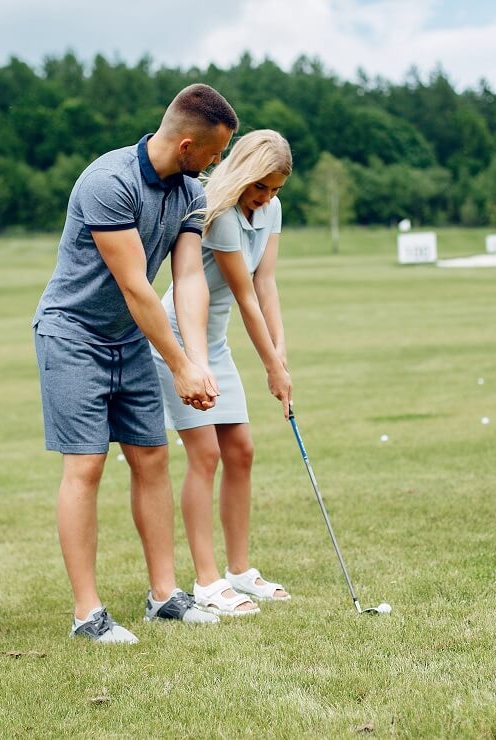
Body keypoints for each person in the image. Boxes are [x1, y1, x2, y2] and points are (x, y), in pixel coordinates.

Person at [32, 84, 239, 644]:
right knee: (87, 466)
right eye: (216, 153)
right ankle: (87, 615)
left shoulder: (190, 192)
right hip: (72, 334)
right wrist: (178, 365)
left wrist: (197, 359)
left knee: (151, 458)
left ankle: (165, 596)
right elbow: (133, 285)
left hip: (129, 338)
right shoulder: (108, 181)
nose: (217, 163)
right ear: (189, 143)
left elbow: (189, 277)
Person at [151, 130, 293, 617]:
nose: (267, 197)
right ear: (245, 175)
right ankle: (207, 582)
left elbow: (267, 283)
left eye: (275, 190)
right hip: (178, 341)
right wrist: (271, 369)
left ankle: (238, 570)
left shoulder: (270, 212)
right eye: (261, 187)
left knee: (242, 450)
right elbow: (246, 297)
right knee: (205, 454)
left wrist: (282, 354)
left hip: (215, 341)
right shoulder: (222, 217)